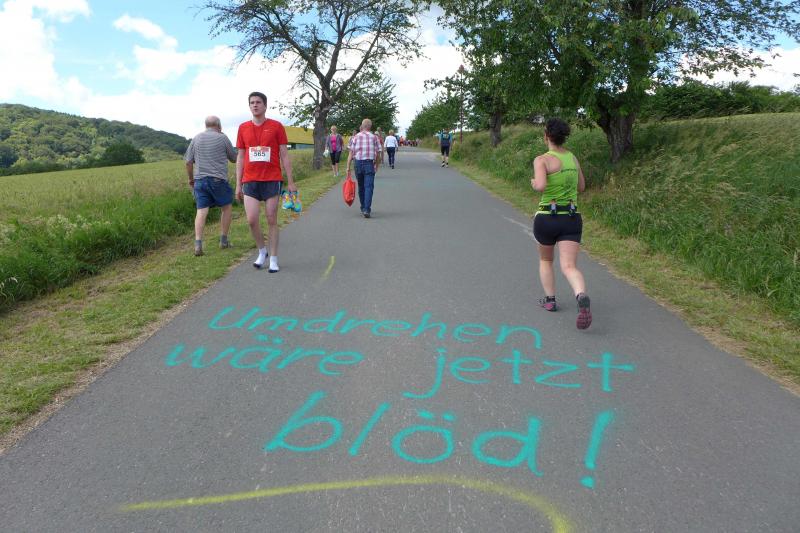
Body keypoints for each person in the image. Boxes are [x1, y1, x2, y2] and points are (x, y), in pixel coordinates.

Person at [531, 118, 591, 329]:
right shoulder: (572, 158)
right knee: (569, 266)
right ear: (564, 137)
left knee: (546, 260)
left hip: (547, 217)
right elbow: (581, 187)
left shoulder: (542, 160)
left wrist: (534, 183)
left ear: (546, 136)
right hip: (571, 218)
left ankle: (550, 301)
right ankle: (580, 295)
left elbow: (541, 186)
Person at [235, 91, 297, 272]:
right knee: (251, 220)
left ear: (265, 105)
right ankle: (262, 251)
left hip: (271, 179)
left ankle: (274, 259)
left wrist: (291, 181)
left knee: (271, 219)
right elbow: (240, 157)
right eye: (252, 102)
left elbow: (284, 155)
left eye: (258, 102)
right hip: (250, 180)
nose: (255, 105)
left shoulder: (276, 126)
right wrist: (238, 184)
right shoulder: (243, 128)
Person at [184, 115, 237, 256]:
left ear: (206, 125)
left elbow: (188, 162)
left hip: (200, 181)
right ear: (219, 126)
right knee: (226, 207)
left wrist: (191, 179)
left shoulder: (196, 138)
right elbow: (234, 158)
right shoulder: (222, 138)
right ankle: (223, 241)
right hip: (218, 180)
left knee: (201, 211)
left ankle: (198, 244)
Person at [346, 118, 381, 218]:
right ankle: (366, 209)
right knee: (369, 187)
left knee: (361, 186)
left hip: (358, 163)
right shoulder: (374, 138)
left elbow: (351, 153)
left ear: (362, 126)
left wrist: (348, 167)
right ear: (370, 126)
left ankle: (363, 207)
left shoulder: (355, 137)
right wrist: (376, 165)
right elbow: (378, 154)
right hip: (369, 163)